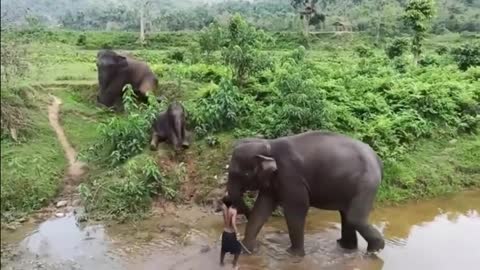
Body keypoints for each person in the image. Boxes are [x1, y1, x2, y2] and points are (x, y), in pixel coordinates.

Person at [220, 196, 241, 269]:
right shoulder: (233, 211)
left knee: (224, 249)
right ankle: (234, 264)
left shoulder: (223, 208)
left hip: (225, 232)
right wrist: (237, 233)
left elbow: (224, 201)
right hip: (231, 233)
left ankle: (221, 262)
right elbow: (233, 223)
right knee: (238, 249)